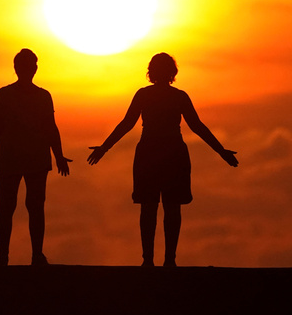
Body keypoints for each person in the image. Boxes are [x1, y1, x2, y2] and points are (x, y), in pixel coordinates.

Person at [87, 52, 238, 267]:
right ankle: (167, 260)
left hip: (153, 153)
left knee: (151, 208)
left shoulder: (148, 95)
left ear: (152, 72)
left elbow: (127, 124)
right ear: (172, 72)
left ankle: (151, 260)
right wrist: (221, 151)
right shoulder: (178, 96)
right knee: (168, 207)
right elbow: (196, 126)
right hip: (170, 153)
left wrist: (104, 148)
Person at [0, 48, 71, 266]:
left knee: (22, 206)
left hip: (23, 157)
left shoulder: (21, 95)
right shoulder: (17, 95)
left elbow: (49, 128)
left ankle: (21, 255)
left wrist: (59, 156)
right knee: (19, 206)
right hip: (19, 157)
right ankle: (14, 255)